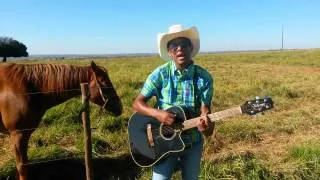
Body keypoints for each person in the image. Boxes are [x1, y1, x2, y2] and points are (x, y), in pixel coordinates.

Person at [132, 24, 215, 180]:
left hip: (193, 142)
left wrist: (205, 125)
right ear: (169, 52)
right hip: (162, 142)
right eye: (174, 46)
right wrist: (157, 114)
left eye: (184, 44)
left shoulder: (204, 78)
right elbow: (137, 104)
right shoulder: (160, 74)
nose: (179, 49)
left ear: (191, 48)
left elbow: (205, 110)